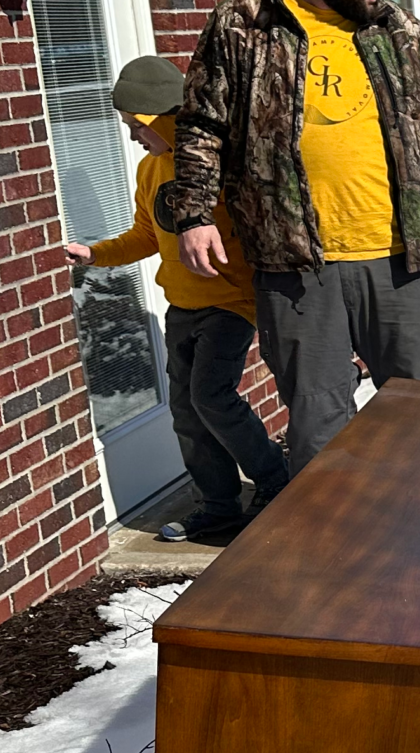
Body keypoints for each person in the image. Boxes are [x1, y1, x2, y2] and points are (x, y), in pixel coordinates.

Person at [171, 0, 420, 475]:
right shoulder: (243, 25)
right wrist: (194, 215)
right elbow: (202, 123)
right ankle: (338, 557)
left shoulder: (402, 32)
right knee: (319, 424)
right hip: (297, 261)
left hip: (403, 253)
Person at [65, 54, 287, 542]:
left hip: (231, 303)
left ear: (158, 116)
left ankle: (275, 479)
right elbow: (147, 234)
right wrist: (95, 254)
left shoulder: (213, 165)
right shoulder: (150, 171)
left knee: (211, 395)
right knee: (186, 409)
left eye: (135, 125)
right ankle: (218, 505)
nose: (131, 136)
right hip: (182, 306)